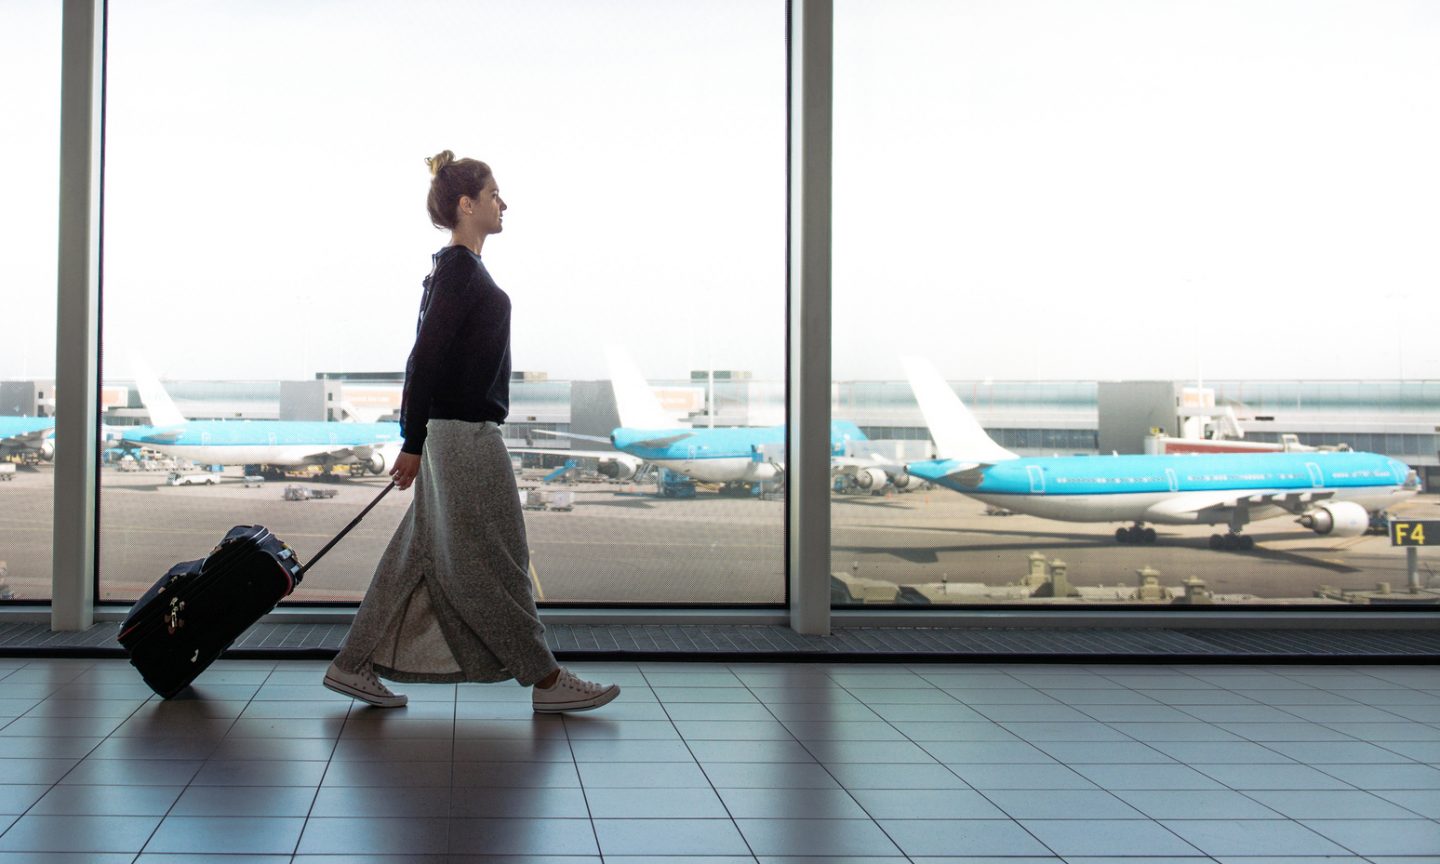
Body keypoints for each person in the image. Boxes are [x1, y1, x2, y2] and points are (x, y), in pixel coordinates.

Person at [323, 150, 619, 713]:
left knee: (418, 554)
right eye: (494, 194)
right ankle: (546, 680)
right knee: (496, 557)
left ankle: (351, 664)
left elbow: (430, 359)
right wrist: (412, 441)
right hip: (462, 435)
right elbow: (424, 360)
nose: (504, 203)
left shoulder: (459, 269)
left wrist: (418, 439)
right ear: (466, 203)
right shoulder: (459, 270)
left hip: (457, 432)